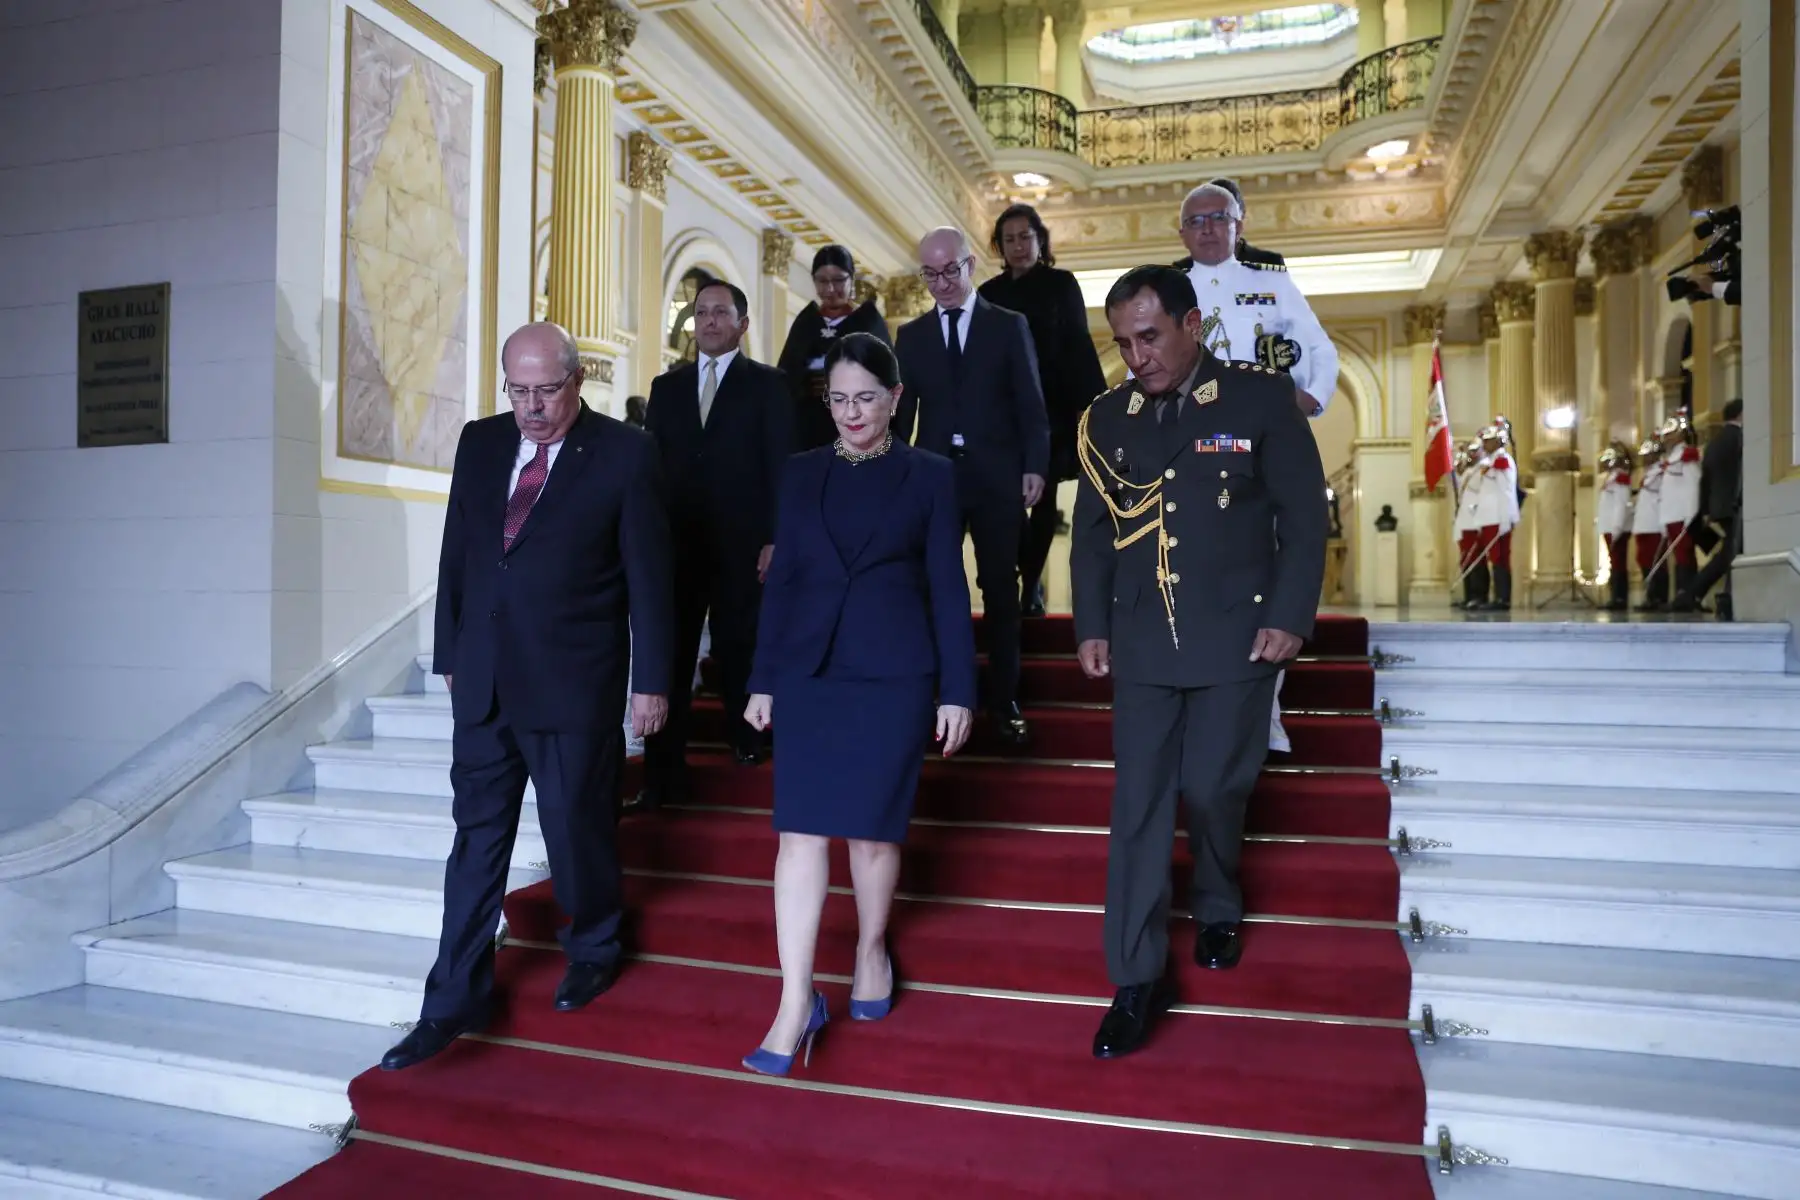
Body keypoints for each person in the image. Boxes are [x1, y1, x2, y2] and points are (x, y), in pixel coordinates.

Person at [382, 322, 674, 1072]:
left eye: (547, 390)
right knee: (476, 841)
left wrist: (653, 681)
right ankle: (450, 1000)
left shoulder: (625, 453)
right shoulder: (481, 442)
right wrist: (450, 652)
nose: (533, 407)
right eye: (519, 390)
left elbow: (649, 576)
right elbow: (460, 552)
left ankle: (595, 943)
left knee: (576, 826)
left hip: (574, 679)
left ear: (577, 382)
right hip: (482, 680)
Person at [1071, 265, 1327, 1059]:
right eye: (1122, 342)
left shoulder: (1256, 399)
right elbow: (1091, 531)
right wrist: (1090, 622)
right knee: (1139, 808)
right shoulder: (1107, 418)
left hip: (1236, 636)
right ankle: (1136, 976)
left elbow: (1304, 514)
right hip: (1144, 638)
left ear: (1192, 326)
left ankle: (1218, 898)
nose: (1135, 357)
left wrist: (1291, 616)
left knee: (1215, 784)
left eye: (1149, 337)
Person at [740, 332, 977, 1076]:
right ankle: (795, 1000)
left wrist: (958, 690)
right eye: (838, 399)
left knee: (872, 837)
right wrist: (763, 678)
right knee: (799, 837)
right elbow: (783, 583)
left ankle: (872, 948)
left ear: (896, 399)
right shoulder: (801, 472)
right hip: (811, 672)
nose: (851, 413)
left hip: (894, 675)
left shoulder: (930, 476)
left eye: (865, 398)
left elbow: (947, 585)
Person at [639, 280, 793, 805]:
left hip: (743, 545)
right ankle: (663, 767)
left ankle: (749, 740)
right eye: (700, 312)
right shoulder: (667, 387)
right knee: (672, 654)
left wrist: (777, 537)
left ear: (742, 324)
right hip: (676, 546)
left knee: (739, 646)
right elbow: (649, 469)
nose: (707, 321)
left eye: (719, 313)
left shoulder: (770, 386)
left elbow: (781, 469)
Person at [895, 227, 1050, 746]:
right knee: (934, 587)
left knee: (1001, 592)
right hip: (934, 478)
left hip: (998, 476)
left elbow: (1031, 403)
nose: (940, 283)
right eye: (930, 274)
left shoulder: (1008, 326)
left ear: (971, 266)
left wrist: (1036, 465)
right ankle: (940, 693)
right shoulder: (911, 336)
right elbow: (902, 418)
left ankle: (1004, 699)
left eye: (950, 271)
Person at [979, 203, 1108, 619]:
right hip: (1002, 411)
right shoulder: (989, 293)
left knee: (1044, 496)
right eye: (1010, 239)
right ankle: (1018, 573)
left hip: (1051, 407)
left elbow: (1078, 344)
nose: (1018, 246)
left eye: (1025, 237)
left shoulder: (1061, 284)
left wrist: (1092, 408)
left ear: (1040, 239)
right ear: (1000, 245)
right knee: (1007, 501)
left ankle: (1031, 583)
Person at [1173, 182, 1336, 418]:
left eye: (1219, 218)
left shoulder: (1271, 281)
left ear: (1237, 227)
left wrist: (1314, 398)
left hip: (1264, 422)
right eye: (1195, 221)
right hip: (1193, 424)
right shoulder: (1168, 289)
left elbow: (1319, 347)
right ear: (1183, 234)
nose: (1207, 229)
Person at [777, 244, 893, 452]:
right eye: (822, 281)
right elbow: (785, 377)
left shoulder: (868, 323)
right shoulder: (806, 322)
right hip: (807, 434)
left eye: (839, 280)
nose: (830, 289)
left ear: (851, 279)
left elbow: (887, 381)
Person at [1675, 398, 1744, 618]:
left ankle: (1694, 593)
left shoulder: (1714, 442)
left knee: (1729, 552)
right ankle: (1722, 597)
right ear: (1740, 415)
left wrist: (1705, 510)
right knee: (1731, 553)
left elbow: (1704, 480)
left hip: (1719, 507)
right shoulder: (1741, 439)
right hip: (1737, 504)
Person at [1466, 419, 1521, 612]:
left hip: (1498, 518)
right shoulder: (1489, 462)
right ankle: (1496, 597)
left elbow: (1505, 491)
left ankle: (1502, 599)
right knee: (1494, 558)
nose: (1484, 444)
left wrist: (1506, 519)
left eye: (1488, 440)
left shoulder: (1502, 460)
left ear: (1498, 441)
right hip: (1488, 519)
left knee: (1500, 559)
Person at [1172, 178, 1286, 269]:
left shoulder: (1270, 264)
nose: (1208, 228)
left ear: (1240, 218)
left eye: (1220, 217)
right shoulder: (1181, 270)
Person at [1656, 411, 1703, 610]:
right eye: (1666, 434)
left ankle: (1688, 597)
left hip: (1683, 515)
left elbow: (1694, 484)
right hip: (1671, 515)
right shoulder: (1671, 458)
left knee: (1686, 556)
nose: (1666, 438)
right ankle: (1683, 596)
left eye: (1671, 433)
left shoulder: (1686, 455)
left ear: (1681, 435)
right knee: (1680, 557)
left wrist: (1691, 516)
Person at [1596, 442, 1636, 612]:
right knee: (1615, 562)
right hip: (1609, 527)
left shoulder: (1620, 478)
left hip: (1616, 527)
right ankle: (1615, 596)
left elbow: (1621, 505)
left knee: (1618, 563)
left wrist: (1617, 528)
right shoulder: (1611, 478)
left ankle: (1620, 598)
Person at [1631, 436, 1669, 612]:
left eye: (1648, 455)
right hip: (1643, 524)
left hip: (1654, 524)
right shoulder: (1649, 473)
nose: (1645, 459)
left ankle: (1658, 597)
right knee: (1643, 559)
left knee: (1656, 562)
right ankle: (1651, 596)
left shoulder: (1662, 472)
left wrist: (1664, 525)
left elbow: (1664, 499)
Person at [1452, 438, 1488, 610]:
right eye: (1470, 452)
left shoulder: (1484, 468)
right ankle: (1468, 596)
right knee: (1466, 559)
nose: (1471, 454)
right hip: (1465, 520)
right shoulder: (1469, 471)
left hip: (1476, 519)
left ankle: (1479, 596)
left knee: (1476, 559)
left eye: (1475, 451)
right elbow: (1459, 478)